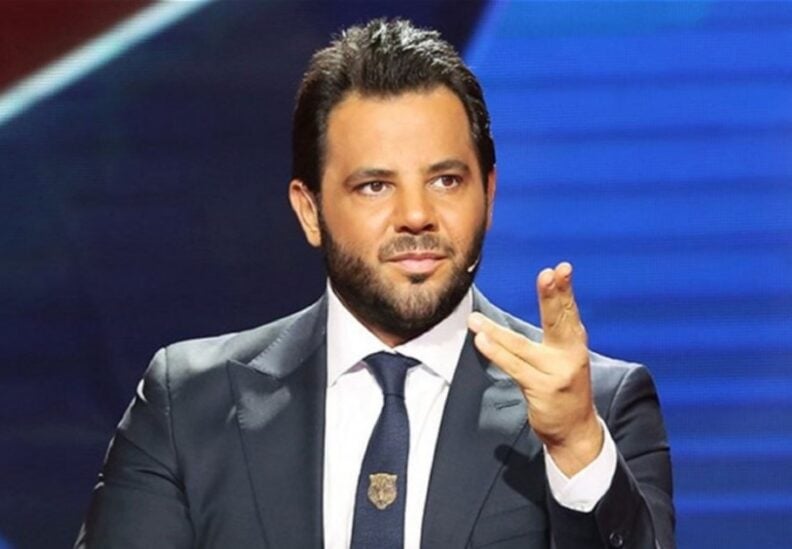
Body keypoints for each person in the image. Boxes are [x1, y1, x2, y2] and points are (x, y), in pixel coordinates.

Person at [76, 18, 674, 549]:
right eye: (375, 186)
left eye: (445, 180)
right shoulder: (188, 405)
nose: (416, 215)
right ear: (310, 210)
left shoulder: (599, 408)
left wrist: (574, 446)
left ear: (489, 194)